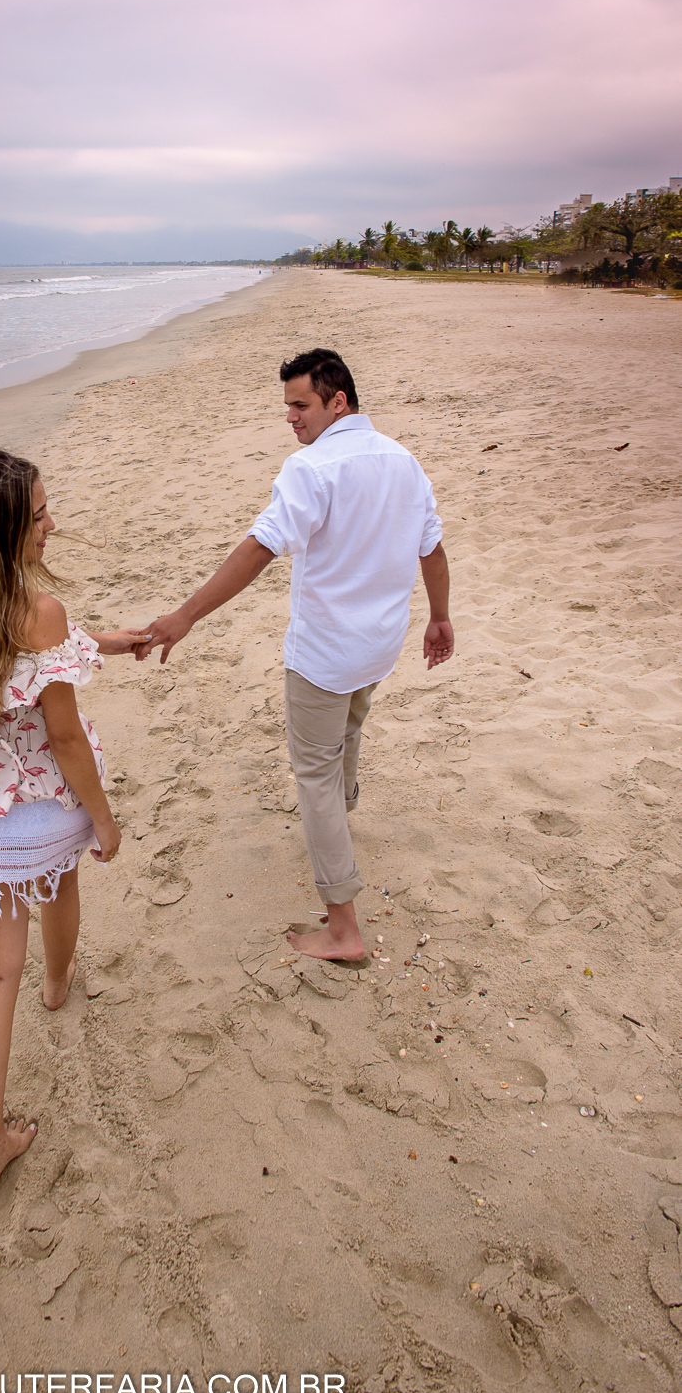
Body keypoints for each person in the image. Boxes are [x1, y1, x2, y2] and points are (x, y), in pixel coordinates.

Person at [136, 348, 453, 963]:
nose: (291, 417)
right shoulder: (403, 460)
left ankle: (343, 928)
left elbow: (260, 548)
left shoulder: (311, 468)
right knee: (349, 730)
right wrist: (439, 617)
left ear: (339, 401)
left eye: (301, 404)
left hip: (327, 651)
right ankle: (347, 809)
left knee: (313, 774)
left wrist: (185, 616)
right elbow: (432, 549)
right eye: (286, 406)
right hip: (379, 642)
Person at [0, 448, 146, 1193]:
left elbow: (17, 656)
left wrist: (108, 642)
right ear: (8, 528)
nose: (52, 524)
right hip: (42, 809)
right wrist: (103, 820)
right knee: (62, 876)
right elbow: (65, 737)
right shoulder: (38, 610)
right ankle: (58, 982)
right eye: (39, 514)